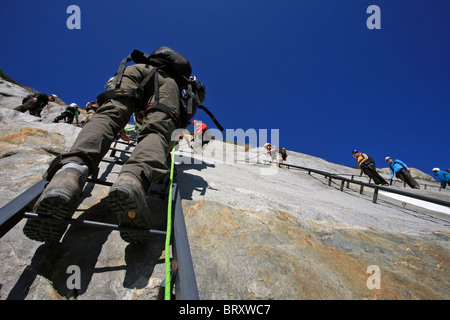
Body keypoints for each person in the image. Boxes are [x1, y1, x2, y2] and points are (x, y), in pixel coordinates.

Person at [23, 46, 194, 244]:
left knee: (110, 113)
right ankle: (133, 180)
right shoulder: (178, 81)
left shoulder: (143, 63)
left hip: (137, 70)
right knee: (158, 129)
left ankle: (68, 175)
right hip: (168, 86)